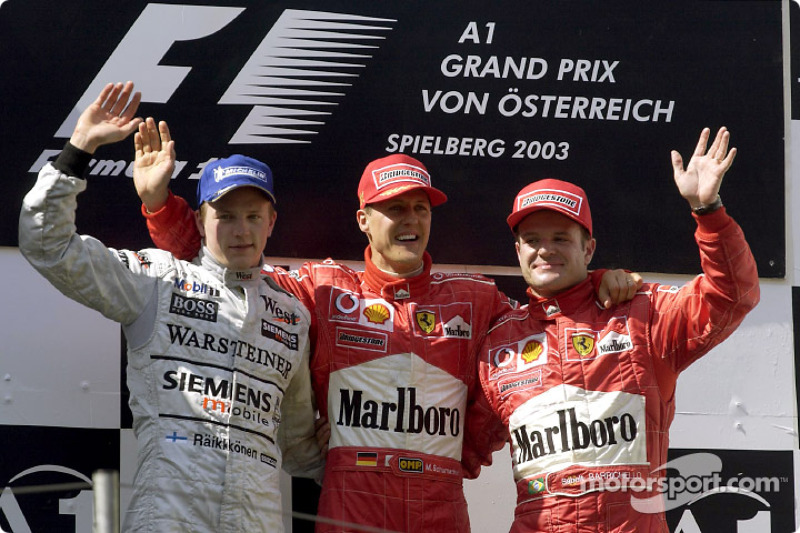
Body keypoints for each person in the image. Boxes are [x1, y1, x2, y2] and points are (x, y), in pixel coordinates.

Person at [138, 152, 640, 532]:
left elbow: (539, 336)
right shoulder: (323, 288)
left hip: (439, 507)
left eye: (420, 208)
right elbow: (231, 261)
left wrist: (594, 285)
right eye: (394, 208)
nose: (410, 220)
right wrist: (162, 209)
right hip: (350, 503)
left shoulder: (475, 299)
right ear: (363, 220)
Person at [19, 82, 322, 532]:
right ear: (201, 220)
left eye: (253, 216)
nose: (241, 230)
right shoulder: (156, 280)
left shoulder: (292, 316)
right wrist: (79, 148)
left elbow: (300, 448)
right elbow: (48, 245)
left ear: (271, 221)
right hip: (169, 518)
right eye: (225, 215)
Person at [472, 127, 760, 532]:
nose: (545, 249)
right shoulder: (498, 344)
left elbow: (733, 295)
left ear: (588, 249)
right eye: (532, 239)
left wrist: (708, 209)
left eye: (560, 237)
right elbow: (452, 447)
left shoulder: (644, 313)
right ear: (518, 251)